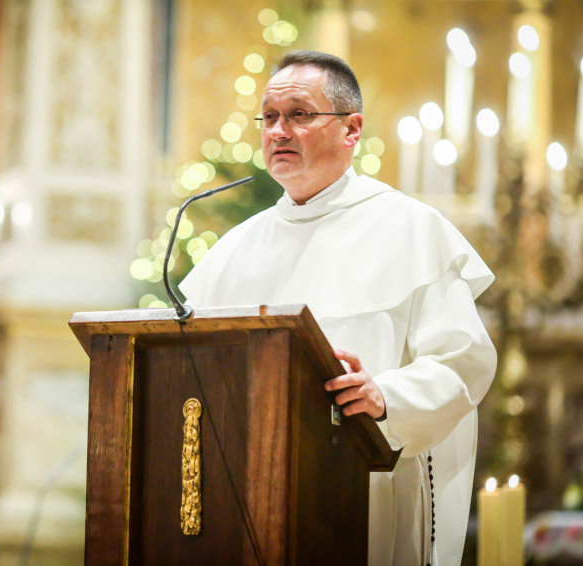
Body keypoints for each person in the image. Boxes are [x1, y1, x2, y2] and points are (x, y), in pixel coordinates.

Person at [179, 50, 496, 566]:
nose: (278, 131)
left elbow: (464, 362)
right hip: (246, 497)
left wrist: (385, 396)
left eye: (299, 115)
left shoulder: (411, 229)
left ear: (351, 129)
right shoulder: (233, 249)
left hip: (366, 488)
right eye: (269, 117)